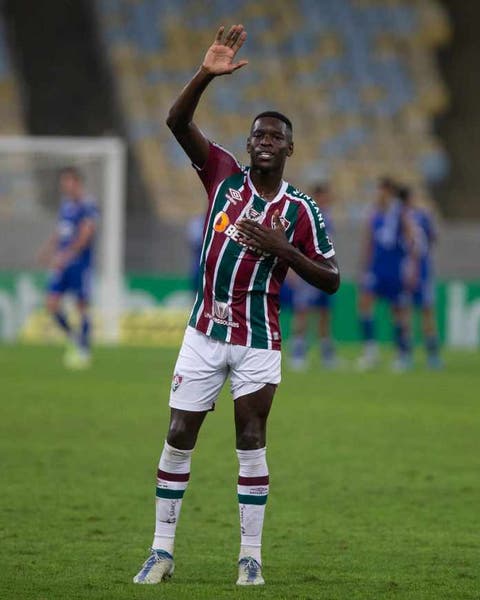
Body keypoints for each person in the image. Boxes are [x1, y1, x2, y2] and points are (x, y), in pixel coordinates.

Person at [133, 24, 339, 587]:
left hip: (257, 340)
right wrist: (205, 73)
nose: (264, 141)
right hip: (203, 333)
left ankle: (250, 556)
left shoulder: (302, 211)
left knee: (250, 439)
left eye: (275, 136)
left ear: (290, 148)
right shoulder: (222, 176)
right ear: (248, 145)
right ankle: (161, 551)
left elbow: (333, 280)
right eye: (257, 135)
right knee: (179, 434)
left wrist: (284, 250)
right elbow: (176, 123)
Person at [39, 166, 98, 369]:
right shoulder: (66, 206)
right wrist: (48, 250)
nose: (65, 185)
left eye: (68, 181)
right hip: (62, 264)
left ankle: (84, 349)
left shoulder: (87, 205)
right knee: (51, 304)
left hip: (79, 264)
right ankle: (74, 339)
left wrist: (67, 255)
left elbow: (86, 234)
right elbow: (61, 232)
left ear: (77, 182)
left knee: (81, 306)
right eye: (63, 182)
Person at [357, 177, 417, 371]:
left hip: (395, 268)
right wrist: (364, 267)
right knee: (365, 304)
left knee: (398, 311)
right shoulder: (374, 214)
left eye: (382, 190)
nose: (379, 194)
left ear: (390, 192)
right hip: (376, 268)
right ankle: (370, 351)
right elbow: (369, 242)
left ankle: (402, 353)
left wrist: (411, 267)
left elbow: (412, 240)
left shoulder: (400, 213)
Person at [289, 183, 340, 370]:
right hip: (308, 270)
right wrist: (292, 270)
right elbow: (294, 244)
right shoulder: (306, 216)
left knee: (324, 313)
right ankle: (297, 353)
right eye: (324, 196)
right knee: (302, 311)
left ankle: (327, 355)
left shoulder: (328, 217)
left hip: (323, 270)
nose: (327, 200)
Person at [398, 185, 442, 369]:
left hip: (409, 270)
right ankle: (431, 357)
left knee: (408, 313)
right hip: (421, 269)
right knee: (424, 313)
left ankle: (407, 356)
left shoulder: (402, 217)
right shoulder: (422, 216)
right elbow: (433, 238)